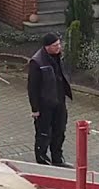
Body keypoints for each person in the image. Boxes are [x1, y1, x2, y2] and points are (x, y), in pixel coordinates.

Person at [27, 32, 72, 166]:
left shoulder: (58, 57)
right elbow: (32, 87)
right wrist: (35, 109)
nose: (59, 47)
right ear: (47, 47)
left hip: (59, 101)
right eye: (55, 45)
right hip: (44, 104)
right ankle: (42, 160)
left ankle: (57, 159)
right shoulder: (37, 62)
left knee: (60, 131)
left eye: (59, 44)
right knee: (44, 133)